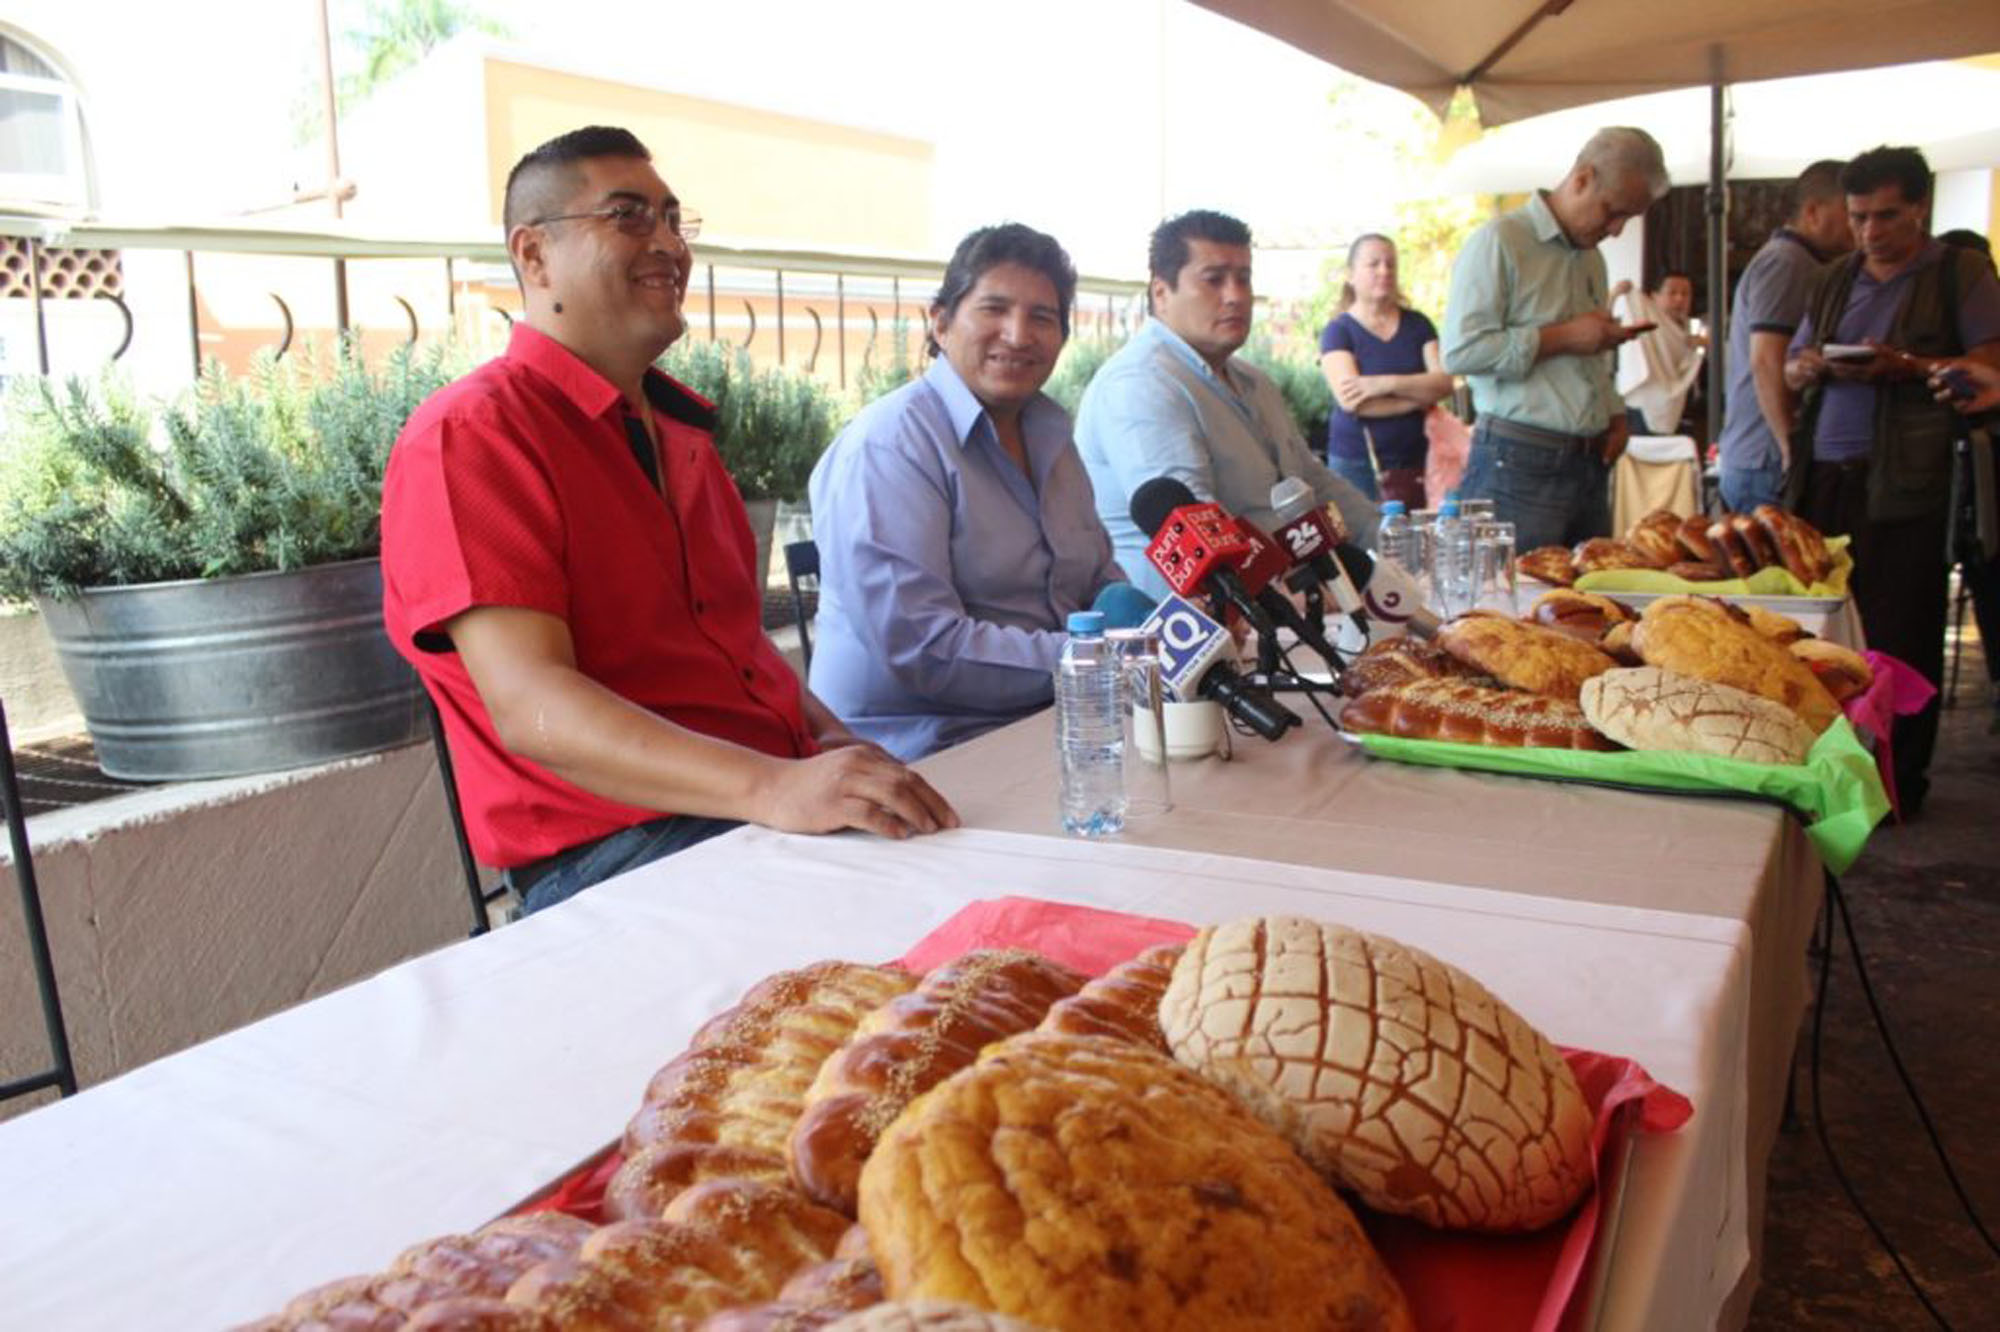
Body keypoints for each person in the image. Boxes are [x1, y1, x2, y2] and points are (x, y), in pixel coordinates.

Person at [379, 126, 957, 914]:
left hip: (747, 816)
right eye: (628, 215)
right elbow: (530, 704)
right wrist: (776, 786)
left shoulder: (679, 435)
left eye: (674, 219)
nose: (668, 244)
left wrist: (830, 745)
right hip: (620, 855)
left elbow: (739, 654)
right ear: (533, 254)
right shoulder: (473, 434)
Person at [807, 224, 1126, 761]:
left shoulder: (1051, 436)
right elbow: (925, 649)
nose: (1019, 335)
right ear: (940, 321)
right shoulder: (890, 445)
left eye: (1042, 318)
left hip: (1053, 724)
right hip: (919, 753)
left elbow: (1097, 582)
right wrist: (1099, 659)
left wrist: (1161, 629)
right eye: (994, 309)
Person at [1782, 146, 2000, 813]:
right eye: (1858, 218)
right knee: (1826, 634)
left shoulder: (1957, 273)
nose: (1870, 232)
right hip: (1826, 478)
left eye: (1885, 217)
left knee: (1901, 634)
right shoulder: (1835, 278)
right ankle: (1831, 771)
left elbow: (1988, 367)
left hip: (1910, 478)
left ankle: (1899, 785)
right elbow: (1793, 362)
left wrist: (1904, 364)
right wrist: (1808, 368)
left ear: (1919, 210)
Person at [1075, 209, 1378, 599]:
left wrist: (1393, 540)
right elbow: (1197, 529)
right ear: (1161, 294)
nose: (1235, 296)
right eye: (1214, 280)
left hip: (1281, 614)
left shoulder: (1254, 382)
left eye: (1244, 278)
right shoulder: (1141, 383)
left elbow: (1311, 482)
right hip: (1185, 633)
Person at [1442, 126, 1670, 552]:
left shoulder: (1591, 257)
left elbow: (1589, 356)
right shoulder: (1500, 241)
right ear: (1582, 178)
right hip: (1517, 461)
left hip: (1589, 462)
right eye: (1613, 212)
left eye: (1628, 219)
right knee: (1509, 610)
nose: (1617, 229)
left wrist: (1614, 411)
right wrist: (1564, 337)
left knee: (1592, 611)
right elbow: (1459, 351)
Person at [1713, 160, 1854, 512]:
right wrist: (1789, 445)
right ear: (1813, 211)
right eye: (1850, 212)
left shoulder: (1805, 262)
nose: (1858, 226)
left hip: (1761, 456)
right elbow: (1766, 361)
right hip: (1765, 458)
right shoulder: (1787, 262)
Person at [1316, 233, 1454, 508]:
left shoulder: (1419, 324)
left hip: (1418, 459)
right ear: (1350, 274)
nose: (1384, 271)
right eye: (1374, 264)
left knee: (1415, 541)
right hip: (1357, 463)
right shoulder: (1338, 331)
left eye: (1391, 264)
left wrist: (1383, 383)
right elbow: (1352, 401)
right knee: (1362, 545)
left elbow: (1444, 383)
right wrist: (1419, 397)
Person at [1614, 270, 1705, 438]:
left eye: (1686, 294)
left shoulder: (1690, 332)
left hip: (1673, 408)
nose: (1680, 299)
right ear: (1654, 297)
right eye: (1672, 293)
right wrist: (1615, 294)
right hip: (1641, 406)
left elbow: (1689, 368)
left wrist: (1699, 348)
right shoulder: (1643, 321)